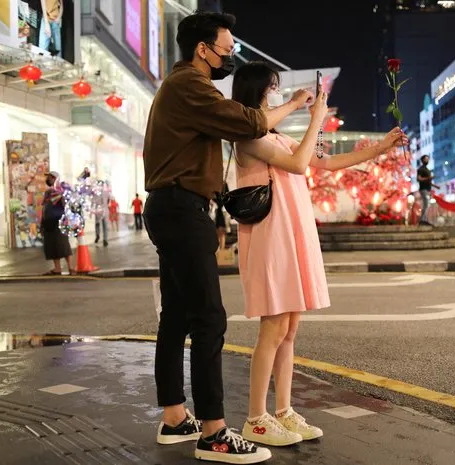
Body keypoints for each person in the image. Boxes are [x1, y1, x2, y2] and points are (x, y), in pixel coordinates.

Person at [141, 11, 313, 464]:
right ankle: (215, 433)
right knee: (209, 319)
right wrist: (295, 104)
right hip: (180, 208)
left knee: (178, 316)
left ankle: (177, 418)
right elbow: (248, 122)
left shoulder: (182, 89)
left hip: (173, 206)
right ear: (203, 49)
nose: (230, 55)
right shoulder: (189, 86)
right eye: (227, 46)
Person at [231, 62, 408, 447]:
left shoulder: (274, 138)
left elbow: (323, 162)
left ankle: (282, 411)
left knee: (289, 329)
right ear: (257, 92)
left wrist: (379, 147)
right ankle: (255, 418)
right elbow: (298, 164)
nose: (277, 93)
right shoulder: (247, 136)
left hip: (290, 233)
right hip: (270, 236)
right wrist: (312, 115)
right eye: (272, 88)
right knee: (273, 327)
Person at [41, 171, 75, 275]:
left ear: (55, 178)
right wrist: (42, 222)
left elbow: (66, 204)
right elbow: (44, 207)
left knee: (63, 244)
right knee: (52, 244)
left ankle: (70, 267)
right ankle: (57, 268)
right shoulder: (48, 192)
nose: (48, 179)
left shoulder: (62, 190)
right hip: (49, 222)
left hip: (59, 221)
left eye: (50, 177)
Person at [417, 155, 438, 226]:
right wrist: (429, 177)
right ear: (422, 160)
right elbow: (419, 179)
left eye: (428, 159)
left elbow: (428, 181)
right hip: (423, 189)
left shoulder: (427, 170)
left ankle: (424, 220)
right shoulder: (421, 169)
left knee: (427, 204)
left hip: (428, 189)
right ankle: (422, 220)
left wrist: (435, 186)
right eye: (426, 159)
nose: (427, 160)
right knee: (426, 204)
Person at [213, 182, 229, 250]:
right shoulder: (214, 183)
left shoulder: (224, 184)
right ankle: (219, 250)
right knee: (216, 232)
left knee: (221, 231)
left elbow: (227, 196)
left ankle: (221, 250)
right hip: (215, 210)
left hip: (221, 210)